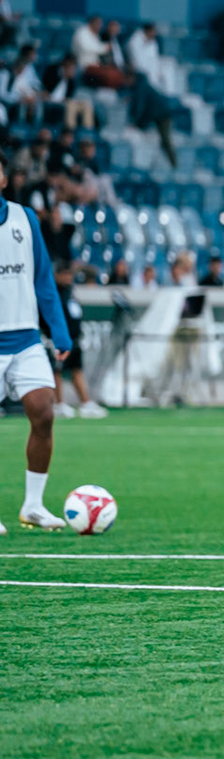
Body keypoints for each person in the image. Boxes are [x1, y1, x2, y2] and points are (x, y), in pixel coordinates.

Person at [0, 191, 76, 533]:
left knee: (44, 412)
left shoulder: (25, 218)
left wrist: (59, 330)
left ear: (3, 177)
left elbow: (43, 277)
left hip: (27, 338)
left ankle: (33, 506)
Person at [47, 263, 106, 419]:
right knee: (57, 370)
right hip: (59, 338)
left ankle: (85, 402)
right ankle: (58, 403)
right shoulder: (53, 293)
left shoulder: (70, 292)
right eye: (65, 274)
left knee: (76, 369)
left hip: (74, 337)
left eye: (70, 274)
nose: (68, 278)